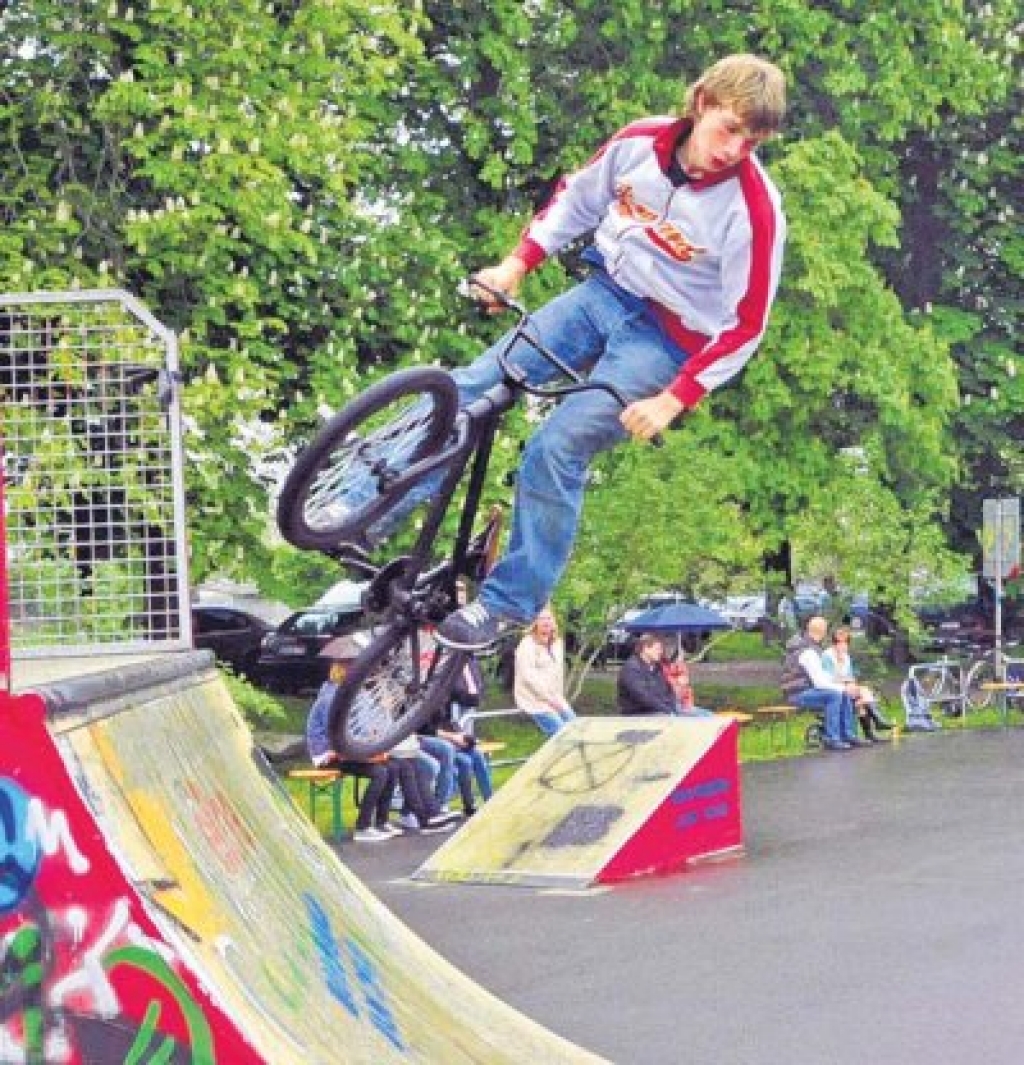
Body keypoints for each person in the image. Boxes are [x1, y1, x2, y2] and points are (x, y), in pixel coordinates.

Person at [431, 54, 787, 651]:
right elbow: (575, 200)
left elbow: (746, 325)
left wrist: (675, 398)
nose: (733, 150)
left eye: (751, 142)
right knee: (474, 384)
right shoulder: (638, 143)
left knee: (558, 445)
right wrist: (515, 266)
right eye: (729, 129)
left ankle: (504, 606)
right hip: (602, 292)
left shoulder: (753, 210)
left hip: (666, 338)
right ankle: (360, 503)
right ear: (701, 104)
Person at [305, 664, 402, 842]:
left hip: (345, 750)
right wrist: (367, 755)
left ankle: (382, 821)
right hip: (329, 754)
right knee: (380, 772)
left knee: (393, 766)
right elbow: (334, 735)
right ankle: (363, 826)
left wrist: (372, 744)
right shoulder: (331, 698)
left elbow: (358, 730)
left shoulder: (349, 697)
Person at [780, 616, 867, 751]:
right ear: (822, 632)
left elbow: (824, 678)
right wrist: (843, 688)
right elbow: (819, 682)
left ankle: (848, 735)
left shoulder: (808, 647)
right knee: (835, 695)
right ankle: (832, 738)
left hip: (802, 690)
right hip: (797, 694)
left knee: (841, 693)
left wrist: (843, 688)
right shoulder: (808, 651)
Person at [821, 626, 893, 742]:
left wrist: (850, 684)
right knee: (863, 693)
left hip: (846, 687)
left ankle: (873, 729)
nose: (843, 646)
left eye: (846, 643)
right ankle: (876, 723)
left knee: (861, 698)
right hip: (832, 688)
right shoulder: (827, 655)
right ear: (834, 643)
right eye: (840, 643)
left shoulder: (846, 657)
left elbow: (851, 676)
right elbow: (829, 677)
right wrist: (847, 682)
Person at [514, 606, 577, 736]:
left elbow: (557, 675)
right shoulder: (527, 644)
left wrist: (557, 699)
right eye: (541, 618)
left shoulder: (557, 643)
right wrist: (549, 700)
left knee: (576, 729)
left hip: (556, 698)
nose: (545, 622)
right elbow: (529, 678)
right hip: (534, 701)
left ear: (553, 621)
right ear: (535, 623)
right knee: (561, 736)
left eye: (548, 618)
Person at [617, 634, 678, 716]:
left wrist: (672, 707)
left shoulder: (657, 667)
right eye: (658, 649)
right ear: (645, 648)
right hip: (638, 714)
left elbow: (669, 690)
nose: (661, 652)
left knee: (699, 714)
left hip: (660, 709)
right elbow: (643, 696)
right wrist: (667, 711)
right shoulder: (632, 668)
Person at [662, 647, 715, 717]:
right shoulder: (664, 670)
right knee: (707, 715)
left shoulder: (682, 669)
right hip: (673, 705)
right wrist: (678, 682)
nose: (682, 658)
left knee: (709, 714)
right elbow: (674, 693)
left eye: (683, 656)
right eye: (681, 656)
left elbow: (687, 692)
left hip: (683, 705)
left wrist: (689, 705)